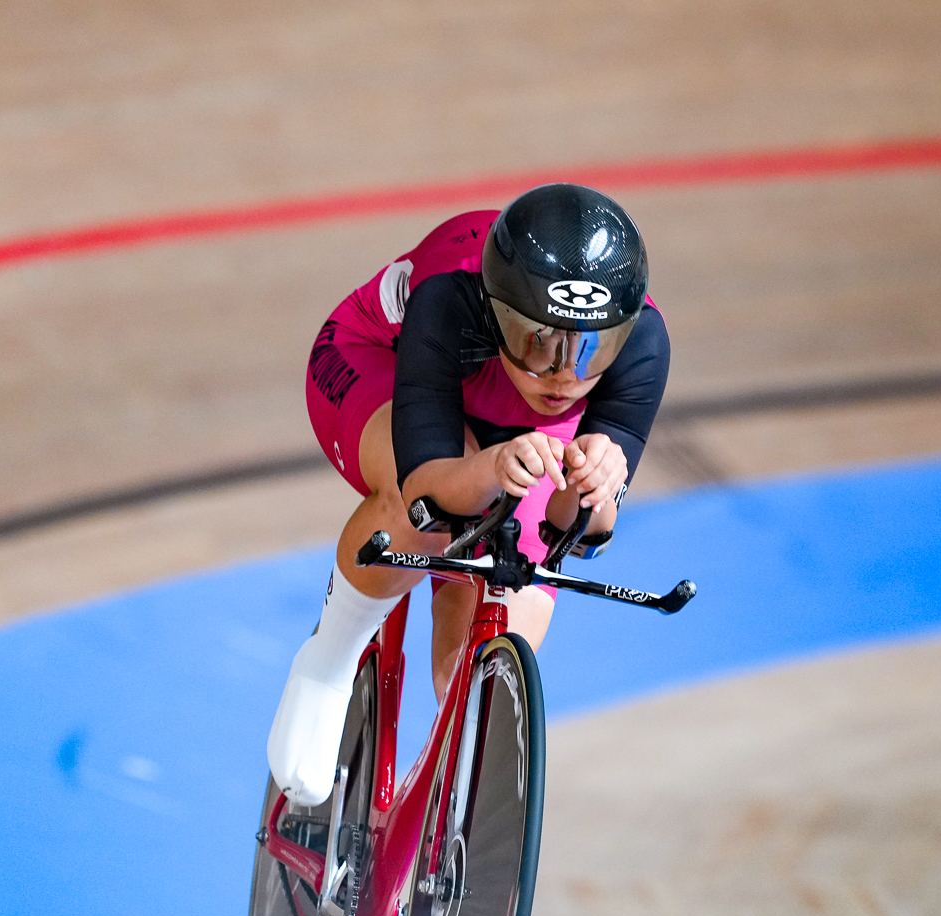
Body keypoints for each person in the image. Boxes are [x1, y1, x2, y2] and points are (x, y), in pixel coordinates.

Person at [267, 182, 670, 806]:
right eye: (539, 342)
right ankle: (328, 658)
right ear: (498, 315)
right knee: (437, 517)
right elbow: (426, 494)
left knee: (511, 588)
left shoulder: (642, 341)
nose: (563, 377)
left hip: (508, 416)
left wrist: (597, 484)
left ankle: (438, 795)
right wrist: (491, 468)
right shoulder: (451, 300)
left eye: (589, 349)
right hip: (375, 360)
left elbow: (575, 538)